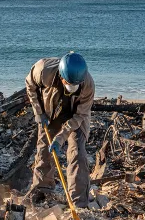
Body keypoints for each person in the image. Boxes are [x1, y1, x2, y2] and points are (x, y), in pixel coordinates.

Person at [24, 52, 95, 208]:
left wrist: (61, 137)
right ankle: (42, 190)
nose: (72, 89)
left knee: (78, 153)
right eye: (69, 85)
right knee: (44, 150)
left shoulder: (88, 84)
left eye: (75, 87)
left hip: (76, 116)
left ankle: (78, 202)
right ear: (62, 77)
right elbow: (30, 85)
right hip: (50, 111)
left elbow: (80, 115)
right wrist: (38, 112)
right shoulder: (44, 70)